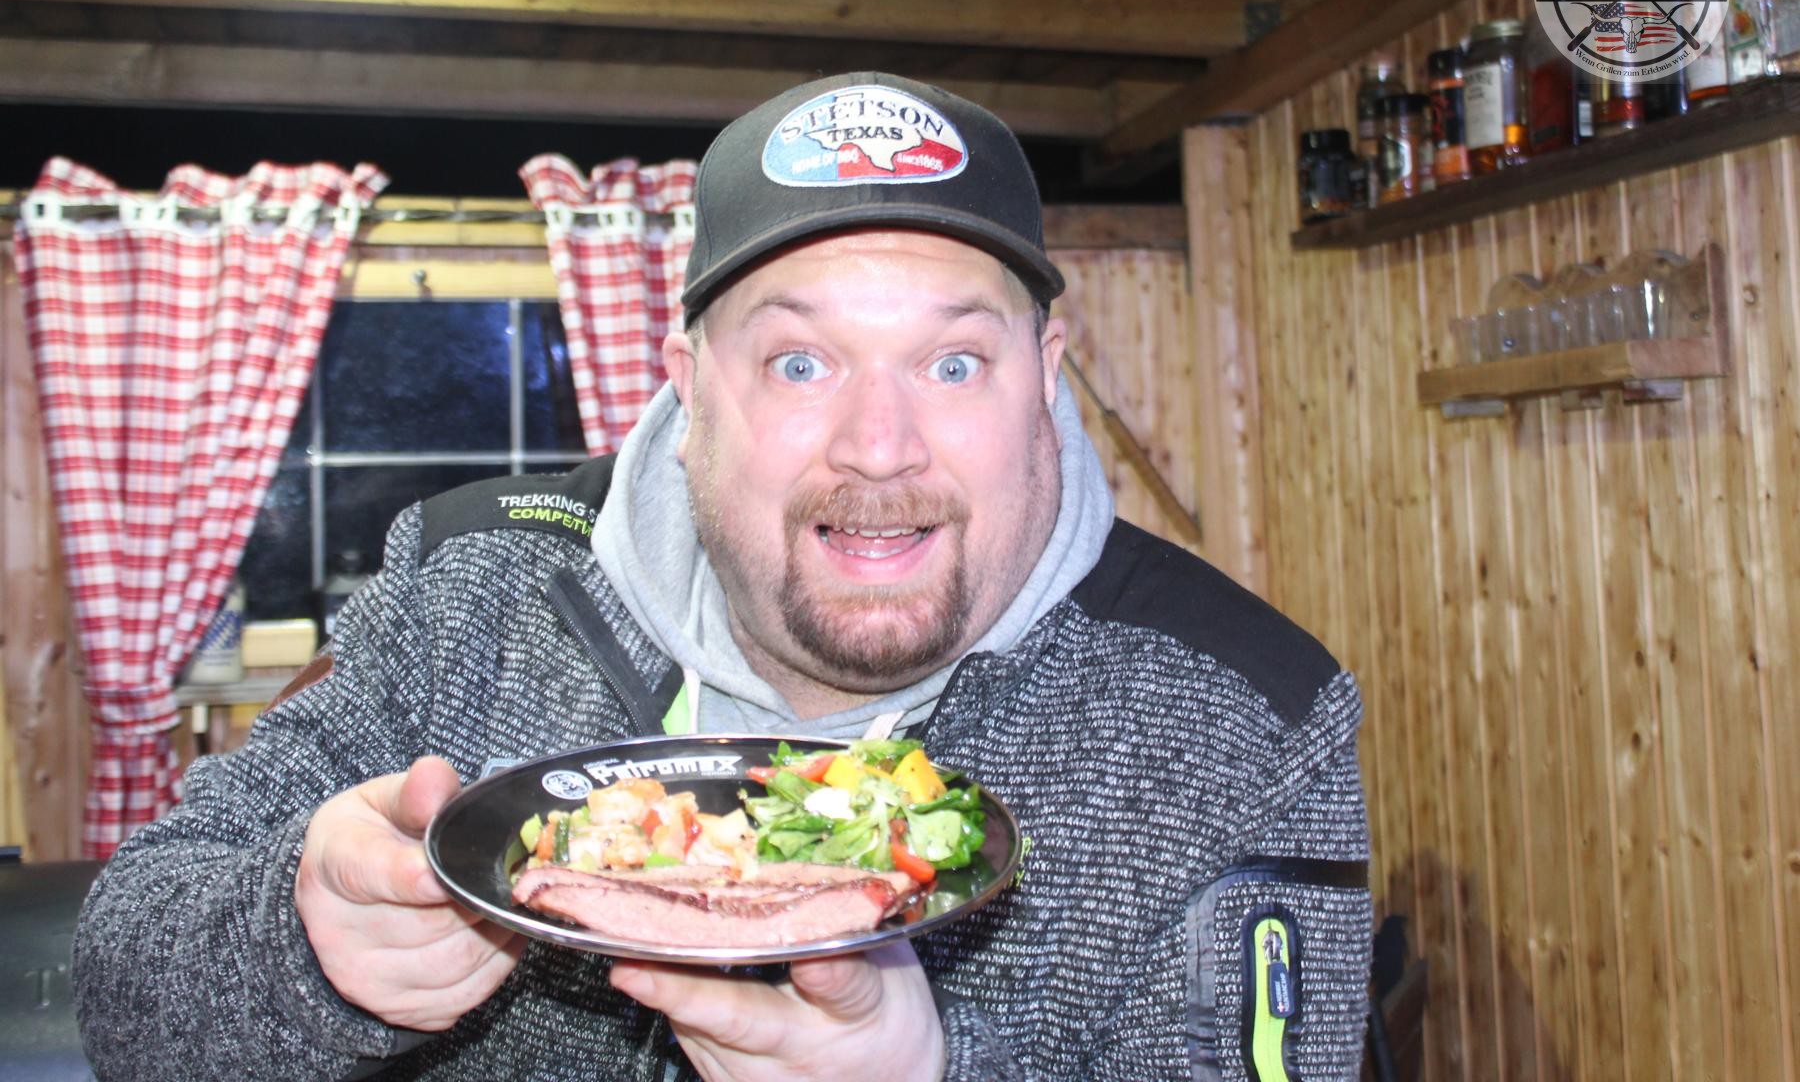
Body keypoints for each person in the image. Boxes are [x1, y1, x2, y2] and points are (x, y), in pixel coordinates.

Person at [73, 72, 1372, 1081]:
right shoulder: (470, 591)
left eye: (953, 364)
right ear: (691, 389)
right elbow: (127, 994)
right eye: (800, 363)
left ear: (1044, 375)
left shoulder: (1247, 715)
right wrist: (307, 948)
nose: (879, 447)